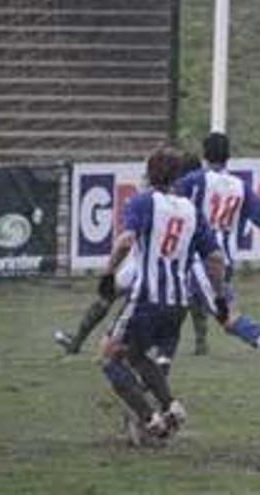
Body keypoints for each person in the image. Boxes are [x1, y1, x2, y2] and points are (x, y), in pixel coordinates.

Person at [97, 146, 222, 441]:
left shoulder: (142, 202)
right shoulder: (191, 210)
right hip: (178, 304)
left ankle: (150, 419)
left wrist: (107, 273)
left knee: (109, 357)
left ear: (149, 173)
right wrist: (217, 296)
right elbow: (216, 258)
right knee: (138, 356)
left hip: (146, 299)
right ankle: (171, 406)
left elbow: (126, 240)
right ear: (177, 176)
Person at [53, 152, 208, 356]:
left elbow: (131, 235)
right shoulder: (189, 200)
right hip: (168, 259)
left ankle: (80, 341)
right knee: (186, 295)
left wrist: (110, 268)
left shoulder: (161, 195)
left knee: (113, 295)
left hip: (148, 258)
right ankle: (197, 344)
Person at [176, 132, 260, 360]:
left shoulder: (194, 181)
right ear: (228, 157)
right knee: (186, 300)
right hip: (225, 261)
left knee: (227, 318)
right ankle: (178, 350)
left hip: (200, 259)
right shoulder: (241, 187)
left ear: (205, 154)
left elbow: (167, 202)